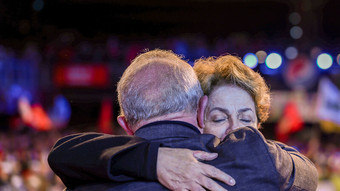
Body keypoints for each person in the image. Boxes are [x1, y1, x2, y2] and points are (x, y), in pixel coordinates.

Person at [48, 50, 318, 190]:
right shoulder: (254, 163)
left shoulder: (92, 174)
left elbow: (62, 154)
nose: (237, 131)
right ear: (200, 114)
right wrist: (152, 159)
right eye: (218, 117)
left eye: (246, 118)